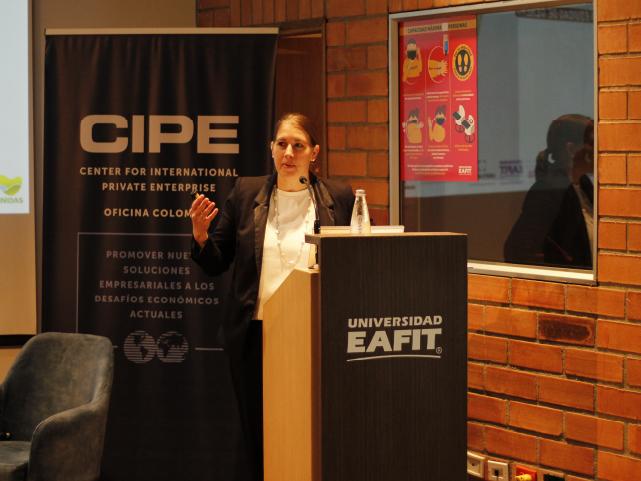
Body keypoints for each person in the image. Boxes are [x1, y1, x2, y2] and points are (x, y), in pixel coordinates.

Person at [189, 112, 355, 481]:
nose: (289, 153)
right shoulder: (246, 193)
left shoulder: (338, 198)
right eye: (282, 144)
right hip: (256, 336)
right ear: (271, 148)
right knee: (259, 431)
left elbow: (352, 262)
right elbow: (217, 261)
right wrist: (201, 237)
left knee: (310, 427)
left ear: (314, 152)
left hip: (314, 335)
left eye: (298, 145)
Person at [504, 114, 593, 267]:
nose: (601, 149)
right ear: (571, 149)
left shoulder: (585, 185)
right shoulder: (549, 192)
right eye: (593, 143)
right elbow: (516, 250)